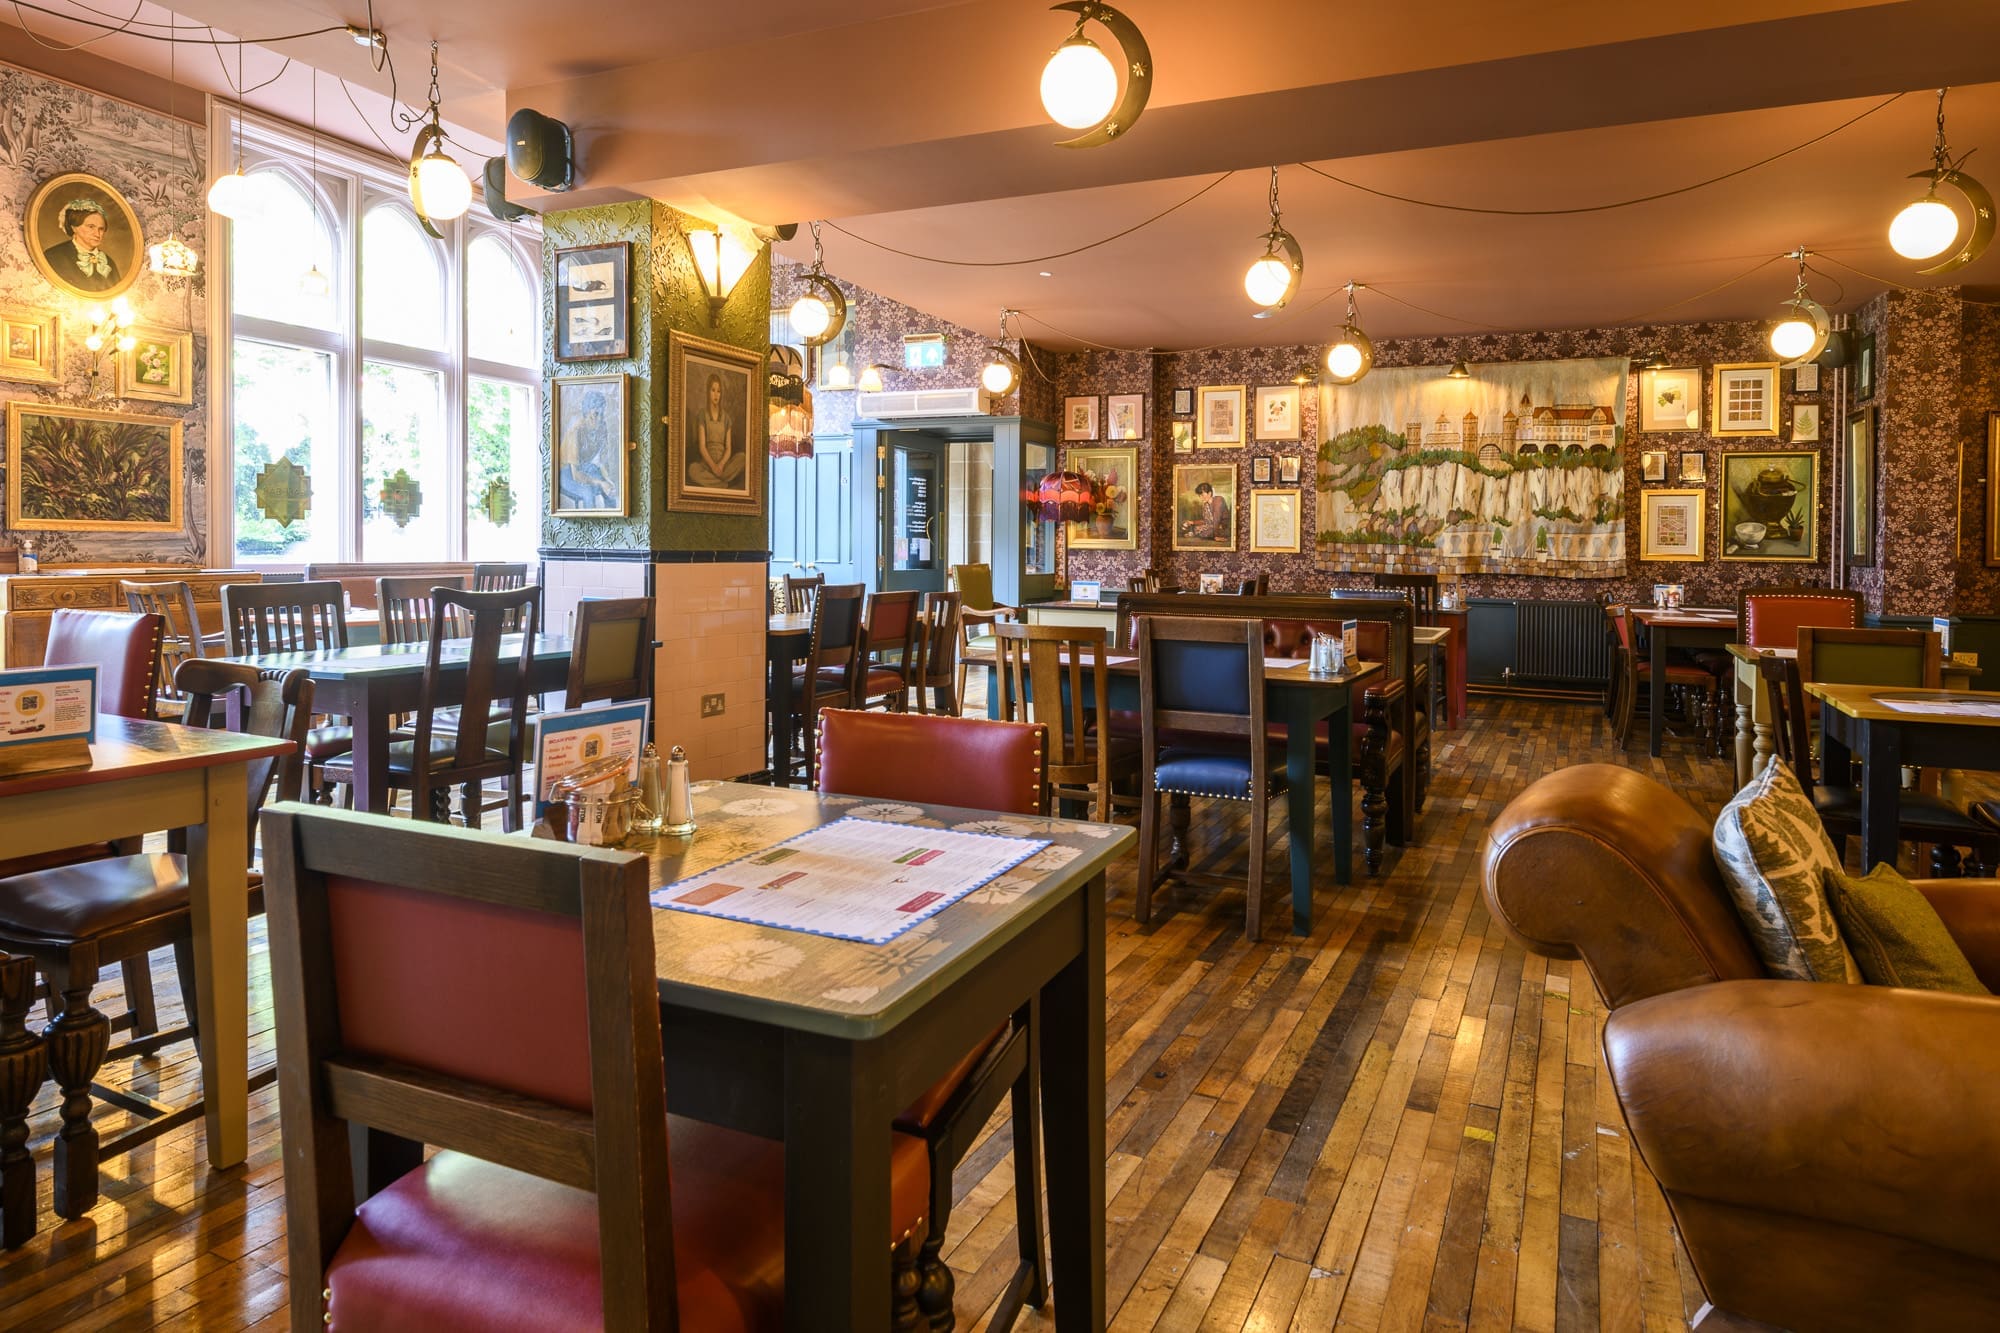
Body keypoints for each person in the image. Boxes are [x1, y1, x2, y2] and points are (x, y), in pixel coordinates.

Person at [43, 198, 120, 293]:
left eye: (101, 229)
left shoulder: (109, 262)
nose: (97, 234)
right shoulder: (55, 255)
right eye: (91, 227)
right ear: (74, 227)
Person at [687, 371, 744, 489]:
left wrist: (721, 465)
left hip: (724, 466)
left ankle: (715, 480)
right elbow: (702, 447)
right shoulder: (702, 415)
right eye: (713, 390)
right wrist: (713, 467)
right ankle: (723, 484)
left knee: (743, 458)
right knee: (692, 470)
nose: (716, 395)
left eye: (718, 391)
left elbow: (728, 448)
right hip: (707, 465)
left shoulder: (726, 418)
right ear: (708, 392)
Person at [558, 403, 619, 509]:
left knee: (610, 492)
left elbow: (602, 461)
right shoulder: (575, 432)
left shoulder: (602, 427)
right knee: (588, 492)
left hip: (585, 467)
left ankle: (613, 521)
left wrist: (607, 481)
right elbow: (575, 475)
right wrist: (600, 483)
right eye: (595, 415)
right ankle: (591, 524)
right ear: (586, 415)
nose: (599, 419)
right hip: (566, 472)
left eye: (601, 414)